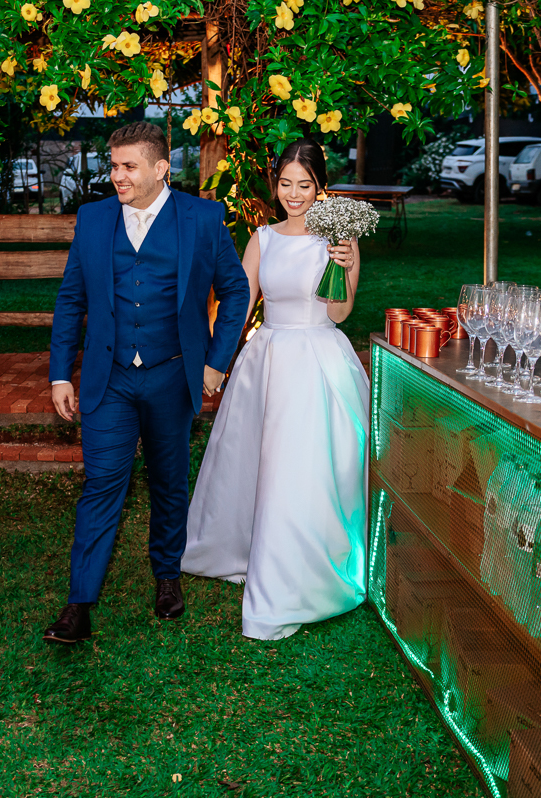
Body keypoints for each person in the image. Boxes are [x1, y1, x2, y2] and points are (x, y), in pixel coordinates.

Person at [43, 121, 250, 644]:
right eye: (113, 166)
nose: (117, 176)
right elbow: (71, 300)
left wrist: (216, 362)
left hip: (172, 374)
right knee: (101, 486)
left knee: (168, 480)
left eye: (128, 166)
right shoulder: (92, 220)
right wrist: (59, 373)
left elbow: (235, 290)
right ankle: (78, 603)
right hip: (108, 379)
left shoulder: (202, 218)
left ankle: (166, 574)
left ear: (161, 168)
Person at [182, 139, 370, 641]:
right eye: (286, 183)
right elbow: (239, 306)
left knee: (300, 470)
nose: (293, 193)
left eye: (304, 185)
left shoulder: (339, 238)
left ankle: (299, 573)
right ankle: (244, 548)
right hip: (266, 359)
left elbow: (339, 314)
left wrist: (345, 265)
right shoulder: (262, 238)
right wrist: (216, 363)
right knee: (252, 461)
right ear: (276, 183)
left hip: (316, 360)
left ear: (319, 186)